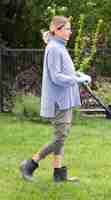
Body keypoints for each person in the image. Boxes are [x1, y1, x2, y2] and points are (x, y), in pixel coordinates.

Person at [20, 16, 91, 182]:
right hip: (59, 101)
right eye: (67, 29)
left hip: (65, 99)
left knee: (61, 137)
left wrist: (78, 75)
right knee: (59, 138)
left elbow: (64, 72)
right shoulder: (53, 48)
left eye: (70, 29)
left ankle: (58, 174)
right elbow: (56, 76)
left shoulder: (60, 47)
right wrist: (77, 80)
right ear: (57, 30)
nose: (70, 32)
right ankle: (30, 164)